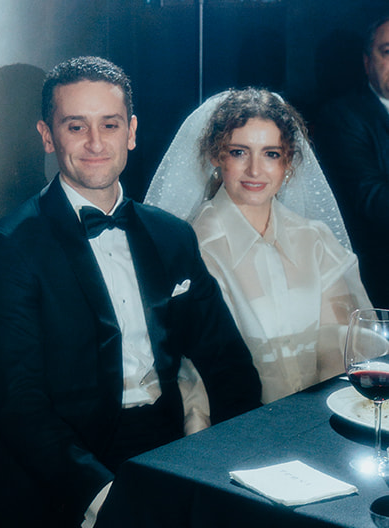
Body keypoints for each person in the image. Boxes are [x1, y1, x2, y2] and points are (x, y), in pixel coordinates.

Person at [0, 56, 261, 528]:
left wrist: (237, 459)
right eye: (75, 126)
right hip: (77, 466)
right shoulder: (9, 247)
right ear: (47, 136)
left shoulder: (170, 235)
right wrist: (104, 494)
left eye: (109, 125)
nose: (95, 143)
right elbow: (18, 407)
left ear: (131, 131)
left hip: (173, 443)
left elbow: (228, 361)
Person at [146, 89, 368, 428]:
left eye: (271, 154)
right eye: (239, 152)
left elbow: (340, 351)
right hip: (233, 434)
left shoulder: (315, 240)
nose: (254, 170)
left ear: (288, 162)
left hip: (322, 426)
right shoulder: (190, 247)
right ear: (216, 156)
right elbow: (192, 383)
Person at [318, 12, 389, 307]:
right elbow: (373, 202)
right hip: (379, 280)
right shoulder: (343, 117)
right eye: (387, 51)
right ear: (367, 61)